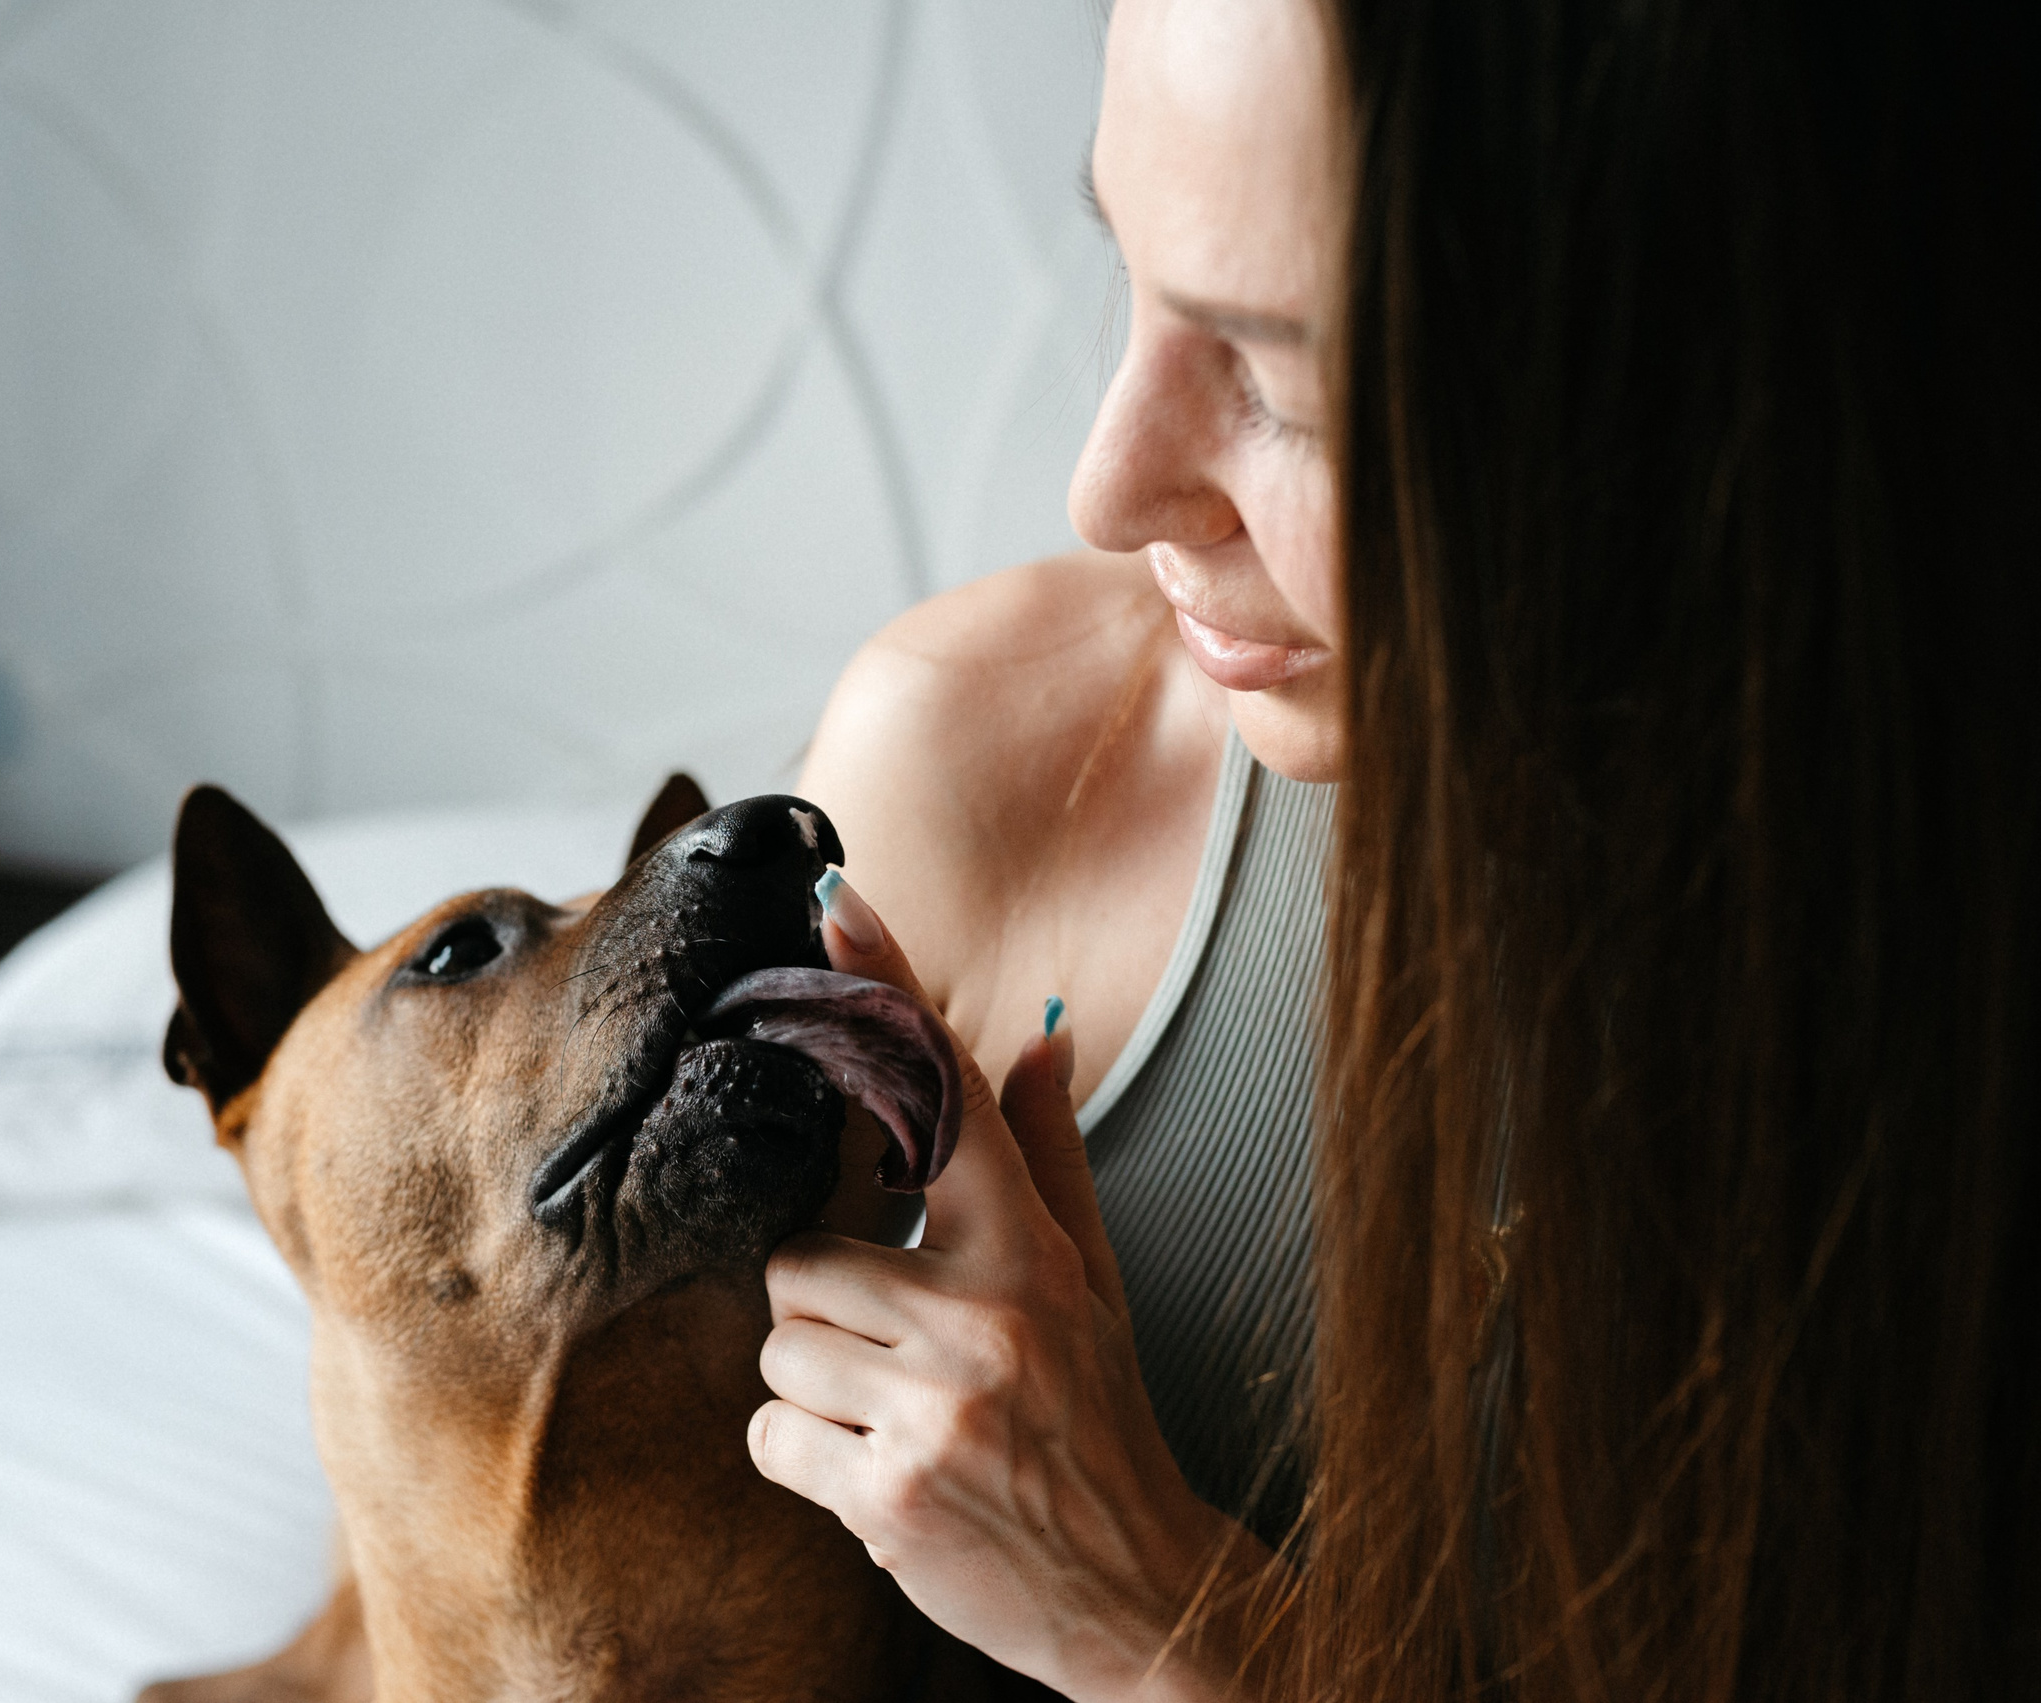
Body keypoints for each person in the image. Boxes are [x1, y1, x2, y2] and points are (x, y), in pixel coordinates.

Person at [753, 0, 2038, 1696]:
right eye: (1124, 265)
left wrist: (1165, 1630)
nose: (1112, 488)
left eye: (1287, 381)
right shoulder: (978, 764)